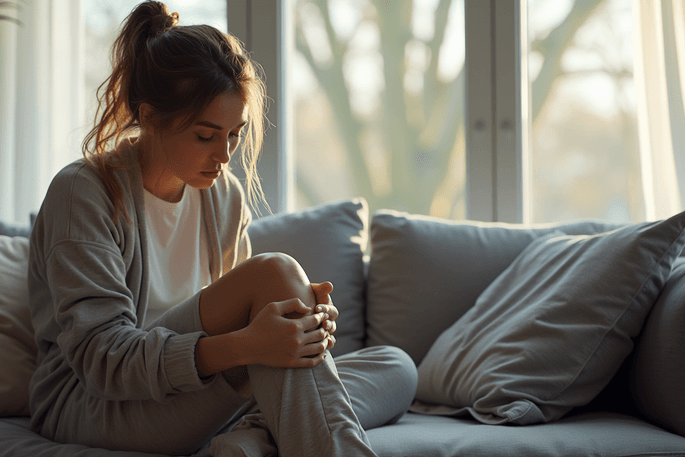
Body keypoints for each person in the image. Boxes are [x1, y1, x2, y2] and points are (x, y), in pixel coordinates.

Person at [27, 2, 417, 456]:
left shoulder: (222, 195)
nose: (225, 154)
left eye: (235, 134)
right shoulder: (83, 193)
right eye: (205, 135)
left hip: (196, 390)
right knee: (272, 274)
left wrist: (302, 331)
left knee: (397, 366)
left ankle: (247, 439)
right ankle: (263, 432)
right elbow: (104, 361)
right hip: (96, 403)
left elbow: (245, 332)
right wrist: (247, 345)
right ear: (150, 118)